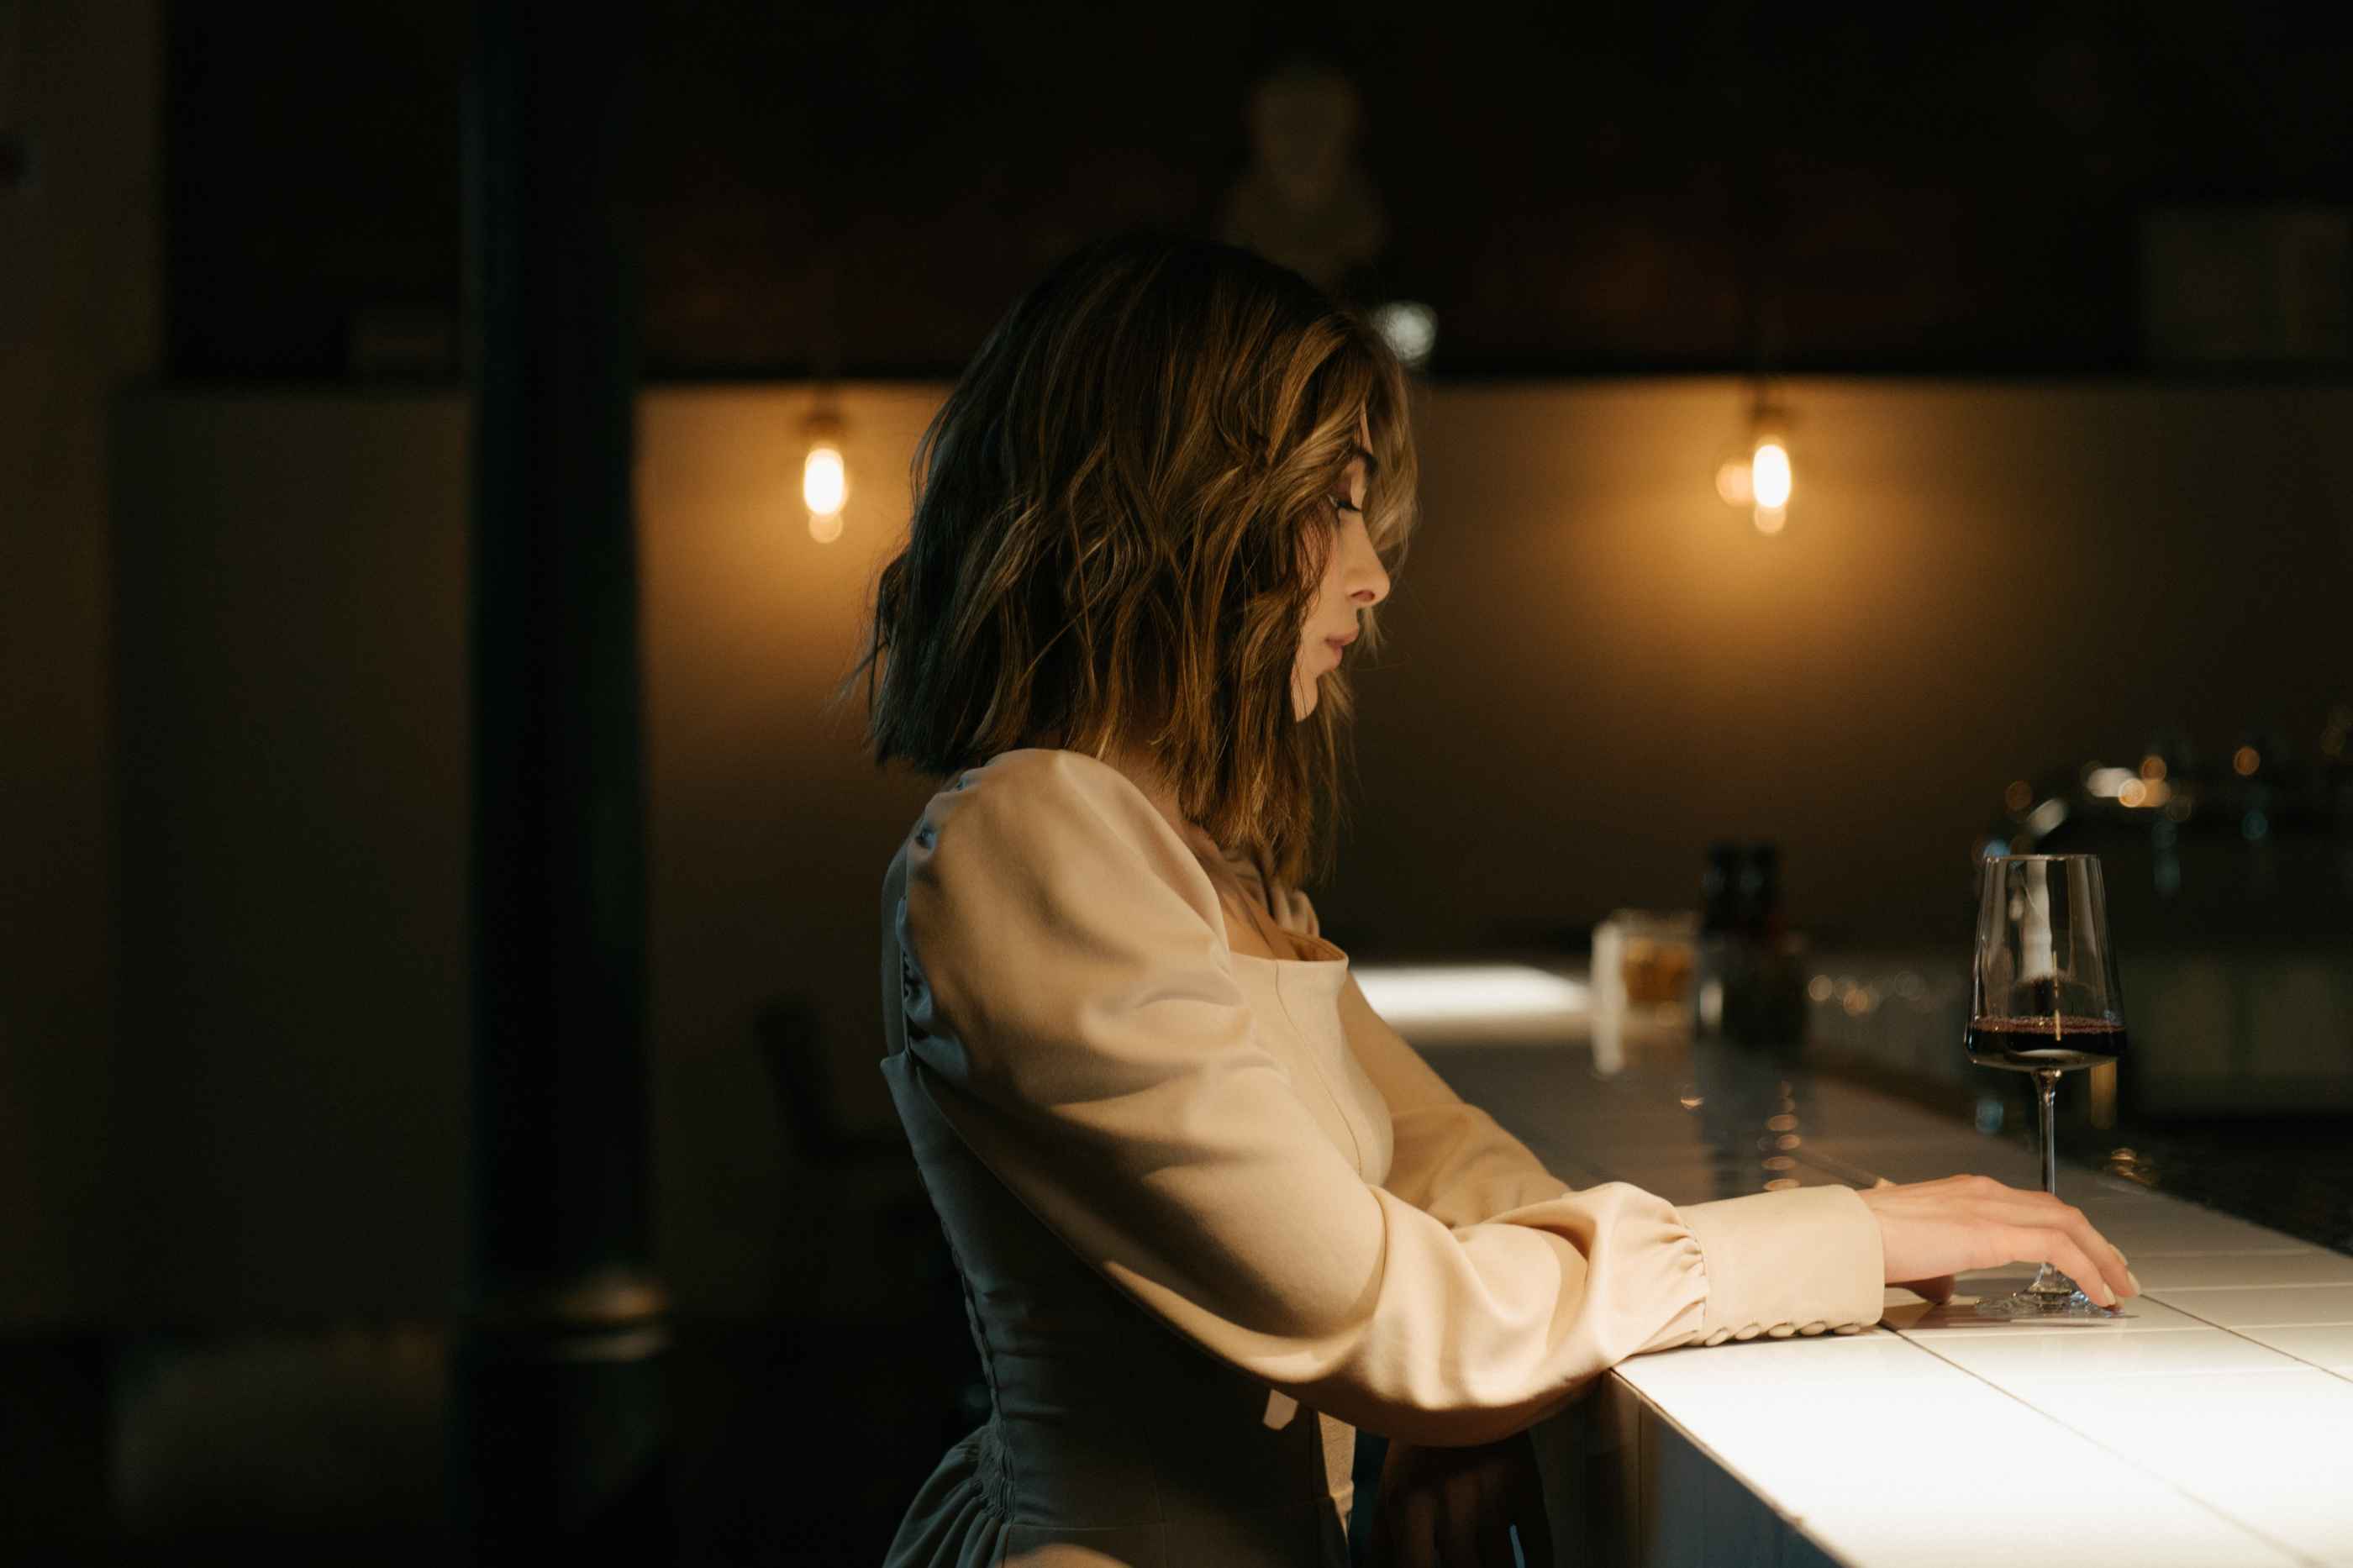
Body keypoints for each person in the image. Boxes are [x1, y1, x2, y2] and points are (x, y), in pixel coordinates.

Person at [845, 233, 2138, 1568]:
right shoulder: (1034, 836)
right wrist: (1842, 1233)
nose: (1372, 571)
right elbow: (1390, 1312)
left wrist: (1454, 1413)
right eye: (1335, 504)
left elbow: (1448, 1166)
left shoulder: (1213, 857)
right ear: (1192, 511)